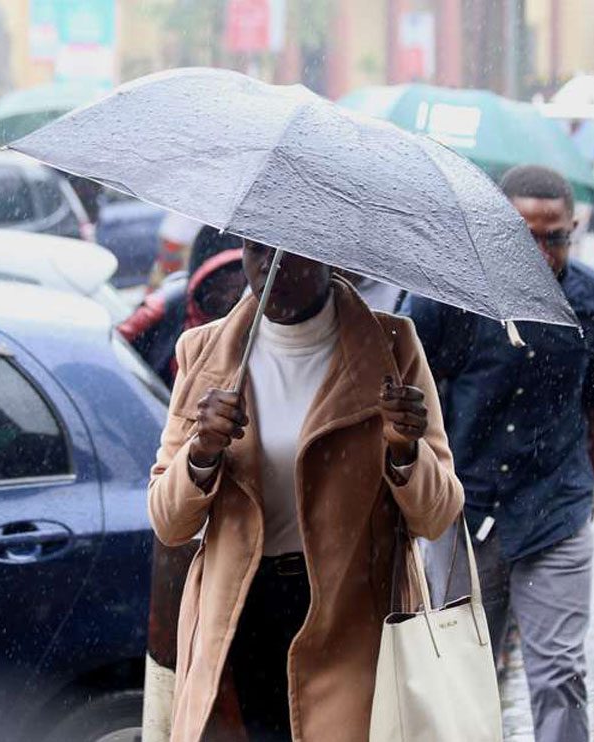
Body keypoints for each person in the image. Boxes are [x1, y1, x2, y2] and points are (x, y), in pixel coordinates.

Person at [148, 239, 463, 741]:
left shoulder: (393, 346)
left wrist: (405, 450)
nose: (271, 265)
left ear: (329, 255)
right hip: (237, 615)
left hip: (350, 616)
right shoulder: (204, 352)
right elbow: (168, 521)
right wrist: (202, 450)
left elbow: (437, 514)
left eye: (290, 251)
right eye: (256, 249)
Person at [405, 165, 594, 742]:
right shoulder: (448, 295)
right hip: (464, 508)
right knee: (461, 672)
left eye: (554, 238)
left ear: (573, 231)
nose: (539, 251)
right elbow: (406, 385)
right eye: (522, 236)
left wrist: (583, 489)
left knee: (558, 673)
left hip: (554, 507)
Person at [118, 240, 247, 387]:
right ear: (207, 281)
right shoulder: (163, 306)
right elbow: (115, 346)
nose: (228, 297)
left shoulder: (239, 325)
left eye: (236, 289)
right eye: (222, 288)